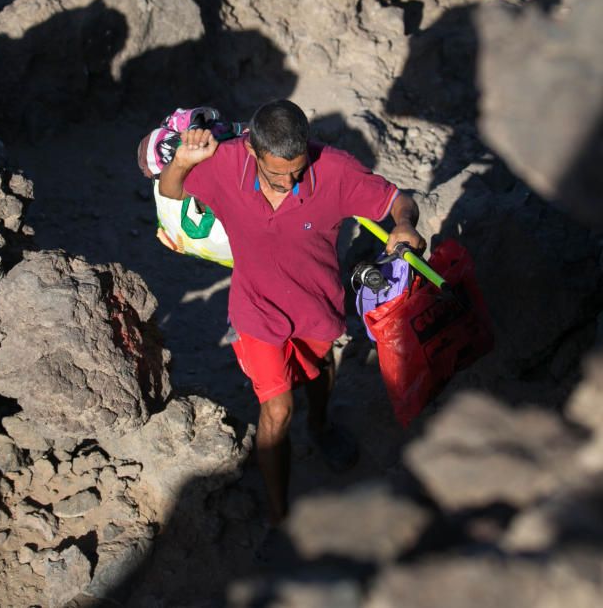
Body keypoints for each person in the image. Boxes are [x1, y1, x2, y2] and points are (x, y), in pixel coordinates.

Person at [158, 99, 425, 525]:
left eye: (297, 170)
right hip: (256, 313)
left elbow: (397, 200)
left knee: (319, 370)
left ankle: (320, 426)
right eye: (276, 172)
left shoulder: (333, 169)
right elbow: (171, 190)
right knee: (278, 410)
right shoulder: (225, 164)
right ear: (251, 150)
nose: (289, 180)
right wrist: (183, 161)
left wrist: (405, 225)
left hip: (317, 307)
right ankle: (280, 514)